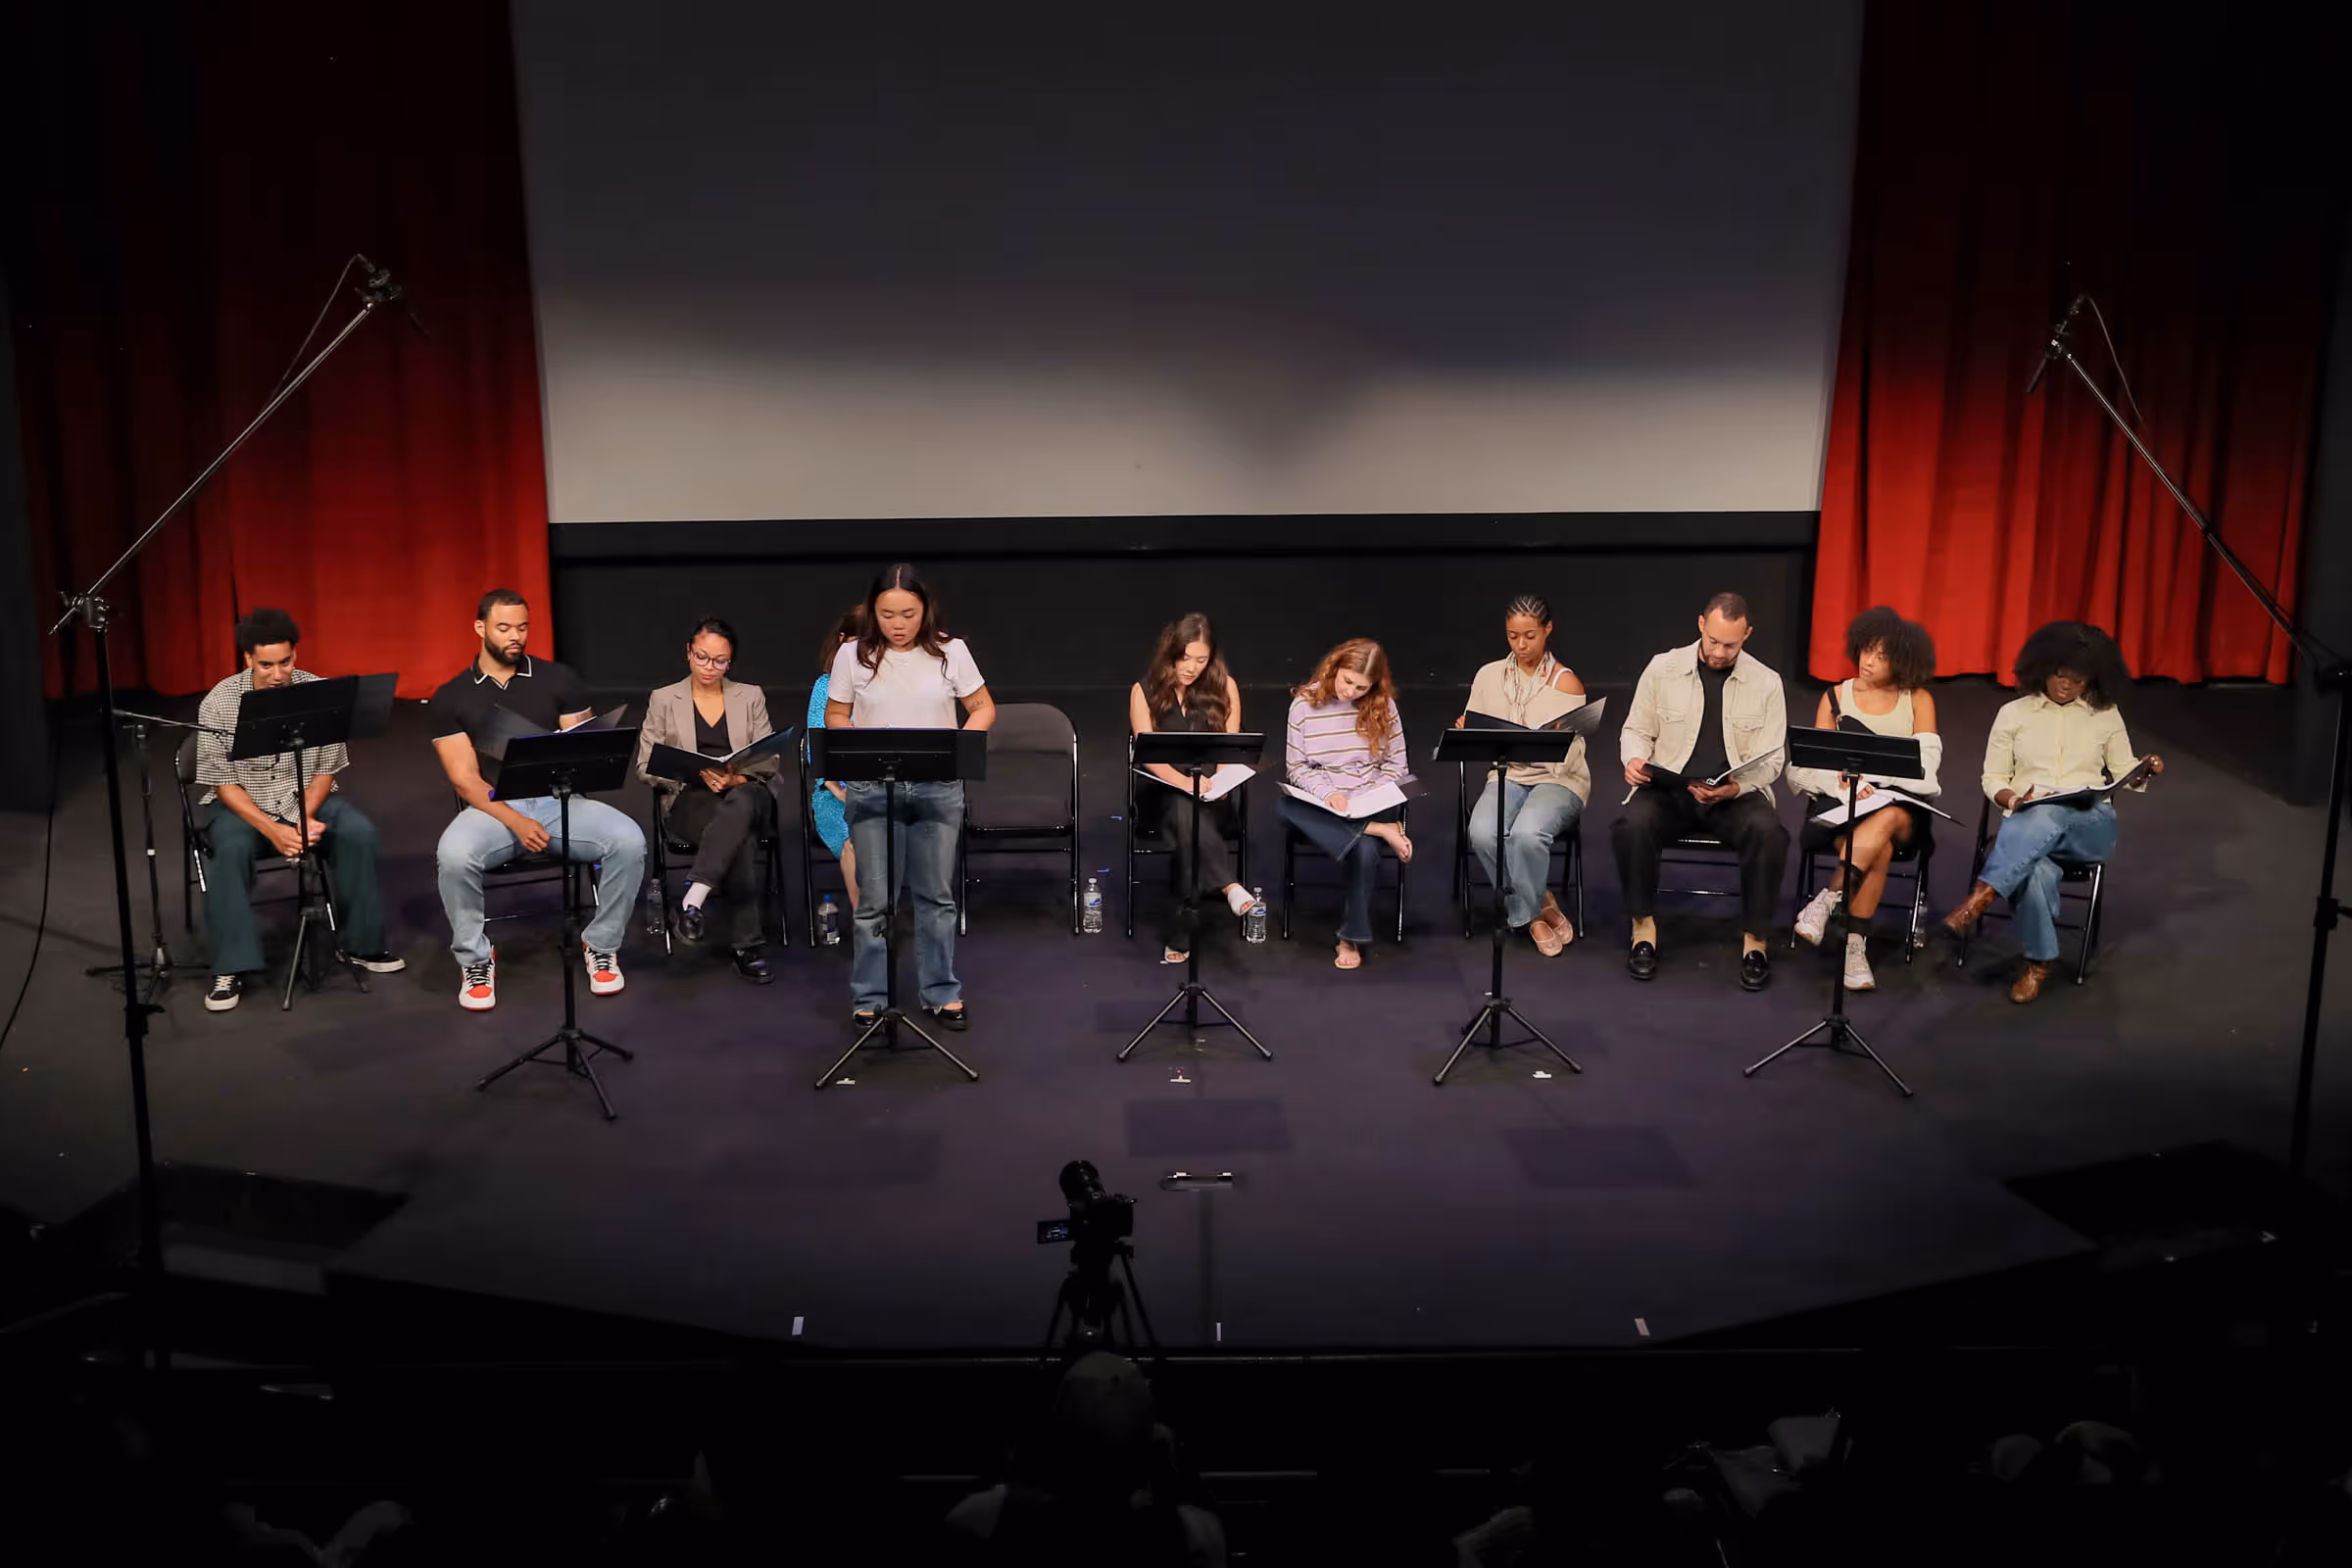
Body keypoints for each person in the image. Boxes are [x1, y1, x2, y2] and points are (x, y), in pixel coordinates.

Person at [428, 589, 647, 1011]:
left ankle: (600, 944)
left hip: (559, 800)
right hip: (493, 807)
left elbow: (579, 751)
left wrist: (581, 753)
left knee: (629, 841)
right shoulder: (450, 696)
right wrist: (513, 820)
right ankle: (475, 958)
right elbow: (465, 780)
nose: (516, 636)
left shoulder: (558, 679)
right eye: (504, 628)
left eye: (522, 627)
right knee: (453, 855)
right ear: (480, 628)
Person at [191, 607, 403, 1011]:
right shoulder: (219, 702)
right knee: (231, 849)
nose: (278, 673)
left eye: (285, 662)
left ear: (295, 655)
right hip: (244, 806)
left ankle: (362, 944)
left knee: (359, 832)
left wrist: (303, 820)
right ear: (248, 660)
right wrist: (273, 830)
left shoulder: (319, 693)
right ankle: (229, 965)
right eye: (266, 664)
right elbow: (223, 783)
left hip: (303, 799)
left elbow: (325, 770)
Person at [1941, 621, 2163, 1003]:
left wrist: (2143, 769)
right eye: (2060, 675)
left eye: (2078, 680)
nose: (2067, 685)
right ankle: (2038, 964)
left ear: (2091, 679)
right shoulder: (2013, 714)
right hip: (2029, 827)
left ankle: (1983, 894)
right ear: (2042, 668)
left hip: (2088, 827)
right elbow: (1993, 777)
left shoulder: (2105, 714)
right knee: (2037, 870)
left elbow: (2125, 769)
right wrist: (2013, 800)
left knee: (2051, 813)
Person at [826, 564, 996, 1031]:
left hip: (937, 788)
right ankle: (870, 996)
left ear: (925, 611)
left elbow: (982, 706)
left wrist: (958, 749)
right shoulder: (851, 656)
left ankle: (941, 991)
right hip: (873, 789)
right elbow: (837, 714)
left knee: (936, 896)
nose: (897, 624)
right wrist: (857, 744)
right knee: (875, 899)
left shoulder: (951, 652)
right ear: (872, 612)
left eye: (907, 614)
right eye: (886, 614)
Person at [1612, 591, 1790, 990]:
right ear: (1700, 626)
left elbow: (1773, 759)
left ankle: (1756, 943)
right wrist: (1635, 760)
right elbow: (1636, 730)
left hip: (1733, 795)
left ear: (1747, 634)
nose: (1719, 651)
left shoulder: (1766, 682)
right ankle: (1643, 930)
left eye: (1730, 644)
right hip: (1671, 790)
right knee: (1631, 825)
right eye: (1713, 641)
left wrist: (1736, 787)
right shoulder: (1663, 667)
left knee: (1768, 834)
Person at [1786, 606, 1942, 992]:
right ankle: (1856, 945)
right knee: (1879, 849)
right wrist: (1845, 786)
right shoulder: (1835, 696)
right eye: (1865, 650)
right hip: (1845, 806)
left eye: (1881, 656)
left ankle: (1829, 896)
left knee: (1888, 820)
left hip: (1902, 808)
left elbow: (1927, 768)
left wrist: (1872, 777)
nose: (1867, 661)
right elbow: (1807, 767)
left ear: (1902, 661)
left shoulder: (1917, 699)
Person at [632, 616, 779, 984]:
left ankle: (693, 899)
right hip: (691, 799)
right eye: (702, 657)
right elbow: (645, 764)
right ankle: (747, 946)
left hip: (746, 791)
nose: (710, 667)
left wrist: (737, 777)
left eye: (720, 661)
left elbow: (770, 758)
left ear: (731, 662)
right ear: (688, 652)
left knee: (742, 801)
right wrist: (692, 773)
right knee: (738, 832)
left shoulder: (750, 695)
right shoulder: (664, 698)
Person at [1453, 592, 1590, 956]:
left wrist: (1551, 740)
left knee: (1528, 833)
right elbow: (1476, 733)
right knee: (1482, 831)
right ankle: (1536, 907)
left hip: (1558, 778)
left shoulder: (1567, 683)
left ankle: (1526, 913)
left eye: (1530, 635)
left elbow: (1572, 754)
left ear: (1547, 630)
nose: (1521, 644)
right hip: (1508, 773)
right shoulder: (1489, 675)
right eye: (1513, 636)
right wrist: (1470, 731)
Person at [1130, 612, 1265, 964]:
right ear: (1170, 654)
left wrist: (1218, 782)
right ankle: (1228, 885)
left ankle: (1181, 932)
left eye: (1201, 660)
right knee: (1180, 809)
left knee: (1189, 819)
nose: (1191, 667)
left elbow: (1231, 749)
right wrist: (1184, 783)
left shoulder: (1225, 687)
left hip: (1212, 794)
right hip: (1161, 790)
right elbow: (1150, 758)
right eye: (1185, 658)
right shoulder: (1143, 691)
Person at [1280, 638, 1413, 970]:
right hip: (1322, 800)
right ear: (1334, 668)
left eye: (1361, 687)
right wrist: (1327, 794)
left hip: (1368, 798)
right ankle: (1381, 830)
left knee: (1363, 851)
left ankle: (1349, 937)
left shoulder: (1384, 707)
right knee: (1285, 808)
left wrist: (1366, 796)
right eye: (1347, 681)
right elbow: (1296, 768)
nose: (1351, 691)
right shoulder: (1303, 706)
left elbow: (1397, 768)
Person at [806, 606, 865, 915]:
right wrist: (839, 789)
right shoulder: (824, 687)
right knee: (854, 840)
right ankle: (865, 921)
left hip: (884, 787)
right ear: (842, 640)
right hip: (835, 793)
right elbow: (816, 750)